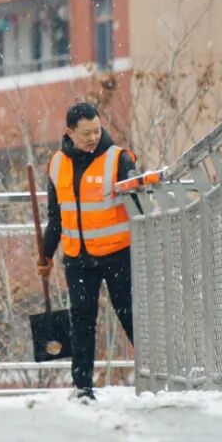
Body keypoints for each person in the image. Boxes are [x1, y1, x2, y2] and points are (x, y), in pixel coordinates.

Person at [37, 102, 137, 401]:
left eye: (96, 130)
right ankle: (82, 387)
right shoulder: (57, 164)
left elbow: (141, 206)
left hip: (117, 255)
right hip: (78, 259)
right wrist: (45, 254)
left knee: (130, 316)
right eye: (86, 133)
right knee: (81, 320)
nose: (93, 137)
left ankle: (157, 377)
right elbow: (57, 217)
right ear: (70, 132)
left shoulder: (118, 159)